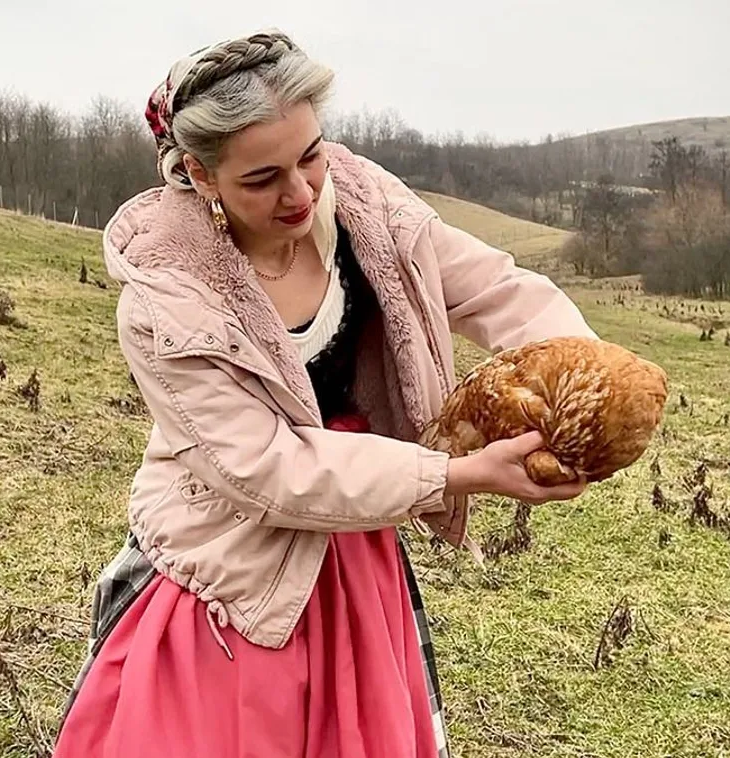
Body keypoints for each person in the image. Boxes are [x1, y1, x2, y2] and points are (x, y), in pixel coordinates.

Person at [52, 29, 596, 758]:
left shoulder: (365, 207)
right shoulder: (164, 297)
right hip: (229, 555)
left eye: (310, 154)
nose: (300, 192)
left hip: (357, 523)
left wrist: (590, 371)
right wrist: (453, 475)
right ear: (199, 174)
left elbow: (493, 289)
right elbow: (265, 469)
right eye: (261, 178)